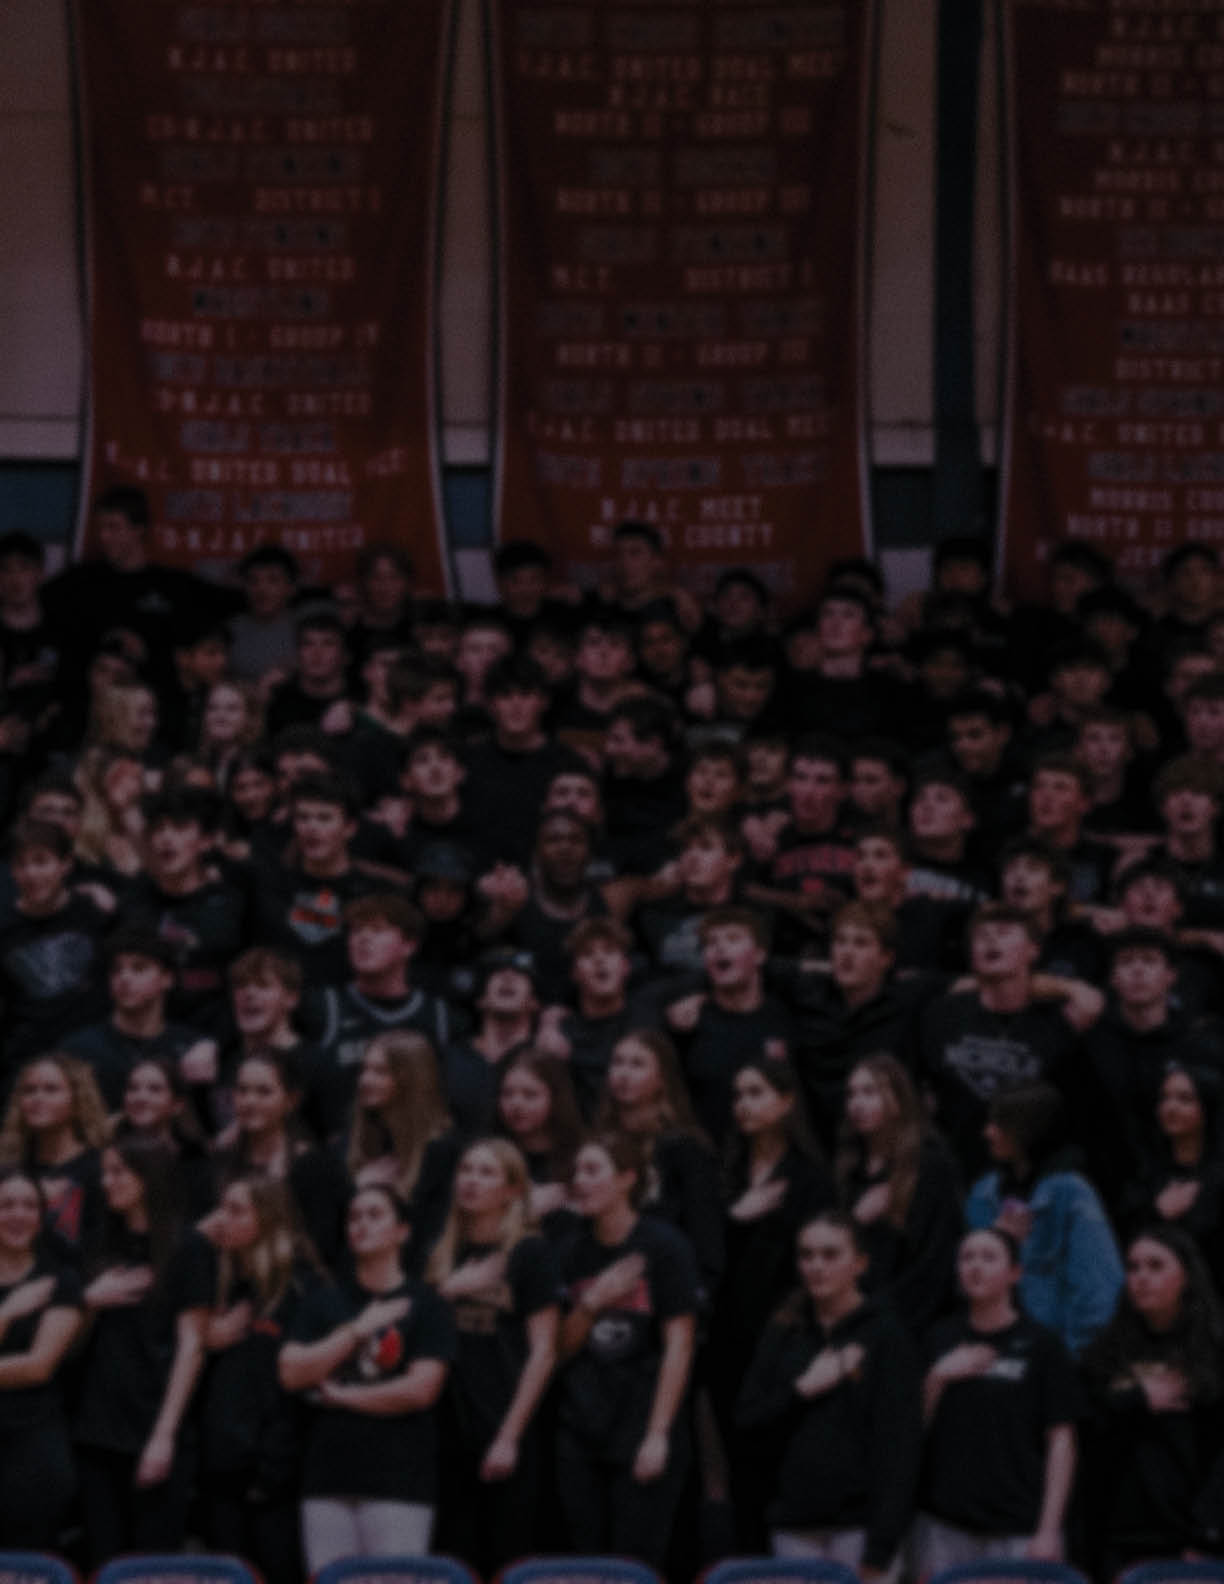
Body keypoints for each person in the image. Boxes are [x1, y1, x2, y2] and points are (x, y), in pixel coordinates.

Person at [278, 1182, 457, 1568]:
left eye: (375, 1215)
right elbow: (292, 1373)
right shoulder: (323, 1302)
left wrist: (342, 1397)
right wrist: (357, 1331)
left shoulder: (426, 1305)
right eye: (355, 1217)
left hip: (398, 1481)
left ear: (402, 1231)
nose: (362, 1224)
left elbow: (421, 1390)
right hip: (327, 1479)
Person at [735, 1210, 922, 1577]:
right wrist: (803, 1389)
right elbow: (747, 1420)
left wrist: (881, 1547)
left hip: (860, 1529)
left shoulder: (885, 1336)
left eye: (830, 1255)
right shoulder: (784, 1331)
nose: (816, 1266)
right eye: (806, 1255)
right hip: (792, 1524)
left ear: (860, 1264)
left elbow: (900, 1448)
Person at [556, 1131, 700, 1564]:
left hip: (639, 1423)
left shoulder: (665, 1247)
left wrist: (658, 1435)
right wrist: (594, 1301)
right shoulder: (568, 1251)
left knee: (635, 1566)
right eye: (577, 1171)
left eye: (593, 1170)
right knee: (586, 1565)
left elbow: (680, 1344)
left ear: (626, 1179)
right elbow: (559, 1349)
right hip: (580, 1429)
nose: (580, 1180)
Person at [708, 1057, 834, 1548]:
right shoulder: (725, 1170)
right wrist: (736, 1218)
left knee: (775, 1463)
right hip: (725, 1338)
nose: (743, 1105)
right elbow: (706, 1251)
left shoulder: (809, 1179)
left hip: (784, 1341)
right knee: (735, 1467)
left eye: (756, 1093)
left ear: (786, 1102)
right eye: (738, 1095)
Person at [74, 1138, 213, 1564]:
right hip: (95, 1429)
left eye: (117, 1172)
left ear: (147, 1179)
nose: (106, 1182)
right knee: (101, 1559)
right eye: (105, 1172)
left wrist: (164, 1435)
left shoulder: (188, 1247)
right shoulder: (98, 1241)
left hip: (154, 1421)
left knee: (152, 1564)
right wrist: (89, 1299)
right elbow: (68, 1337)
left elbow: (192, 1344)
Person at [427, 1138, 561, 1573]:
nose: (471, 1180)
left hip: (504, 1419)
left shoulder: (529, 1253)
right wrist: (450, 1291)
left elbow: (543, 1351)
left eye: (486, 1173)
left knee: (507, 1556)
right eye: (466, 1169)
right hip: (446, 1426)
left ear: (511, 1190)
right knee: (452, 1557)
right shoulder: (443, 1253)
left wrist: (509, 1436)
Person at [914, 1227, 1080, 1575]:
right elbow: (913, 1431)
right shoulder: (938, 1337)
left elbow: (1061, 1441)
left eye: (988, 1258)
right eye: (967, 1257)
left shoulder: (1042, 1345)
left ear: (1015, 1274)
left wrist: (1049, 1530)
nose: (975, 1266)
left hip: (1017, 1525)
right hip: (944, 1523)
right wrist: (937, 1376)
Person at [198, 1176, 321, 1584]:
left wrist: (272, 1470)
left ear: (267, 1219)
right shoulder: (224, 1283)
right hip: (221, 1474)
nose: (222, 1220)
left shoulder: (300, 1286)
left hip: (274, 1479)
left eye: (236, 1210)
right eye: (221, 1208)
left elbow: (295, 1390)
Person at [1081, 1226, 1224, 1577]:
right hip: (1113, 1535)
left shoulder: (1215, 1353)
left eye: (1156, 1266)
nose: (1141, 1277)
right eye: (1133, 1267)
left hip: (1189, 1538)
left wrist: (1207, 1532)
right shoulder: (1105, 1352)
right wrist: (1138, 1399)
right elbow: (1084, 1430)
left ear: (1186, 1276)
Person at [966, 1083, 1123, 1355]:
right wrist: (997, 1240)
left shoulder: (1070, 1193)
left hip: (1054, 1352)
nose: (987, 1132)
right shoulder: (984, 1192)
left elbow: (1097, 1289)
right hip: (988, 1349)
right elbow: (964, 1279)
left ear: (1029, 1131)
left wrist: (1074, 1359)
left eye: (1000, 1123)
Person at [836, 1054, 963, 1336]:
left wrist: (878, 1322)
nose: (857, 1103)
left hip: (909, 1324)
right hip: (851, 1316)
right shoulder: (848, 1168)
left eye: (870, 1092)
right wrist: (855, 1220)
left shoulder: (930, 1166)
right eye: (852, 1094)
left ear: (898, 1099)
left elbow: (935, 1262)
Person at [596, 1029, 725, 1304]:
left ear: (661, 1079)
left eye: (637, 1064)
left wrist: (696, 1299)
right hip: (601, 1288)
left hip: (665, 1292)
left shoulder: (685, 1148)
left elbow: (706, 1239)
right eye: (617, 1062)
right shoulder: (596, 1145)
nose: (623, 1073)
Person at [0, 1166, 85, 1546]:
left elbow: (38, 1367)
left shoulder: (60, 1280)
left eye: (28, 1206)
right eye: (6, 1205)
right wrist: (7, 1313)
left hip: (32, 1450)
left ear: (41, 1216)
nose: (18, 1215)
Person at [216, 1050, 350, 1269]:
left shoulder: (313, 1166)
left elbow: (323, 1247)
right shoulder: (221, 1160)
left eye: (264, 1092)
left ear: (291, 1100)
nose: (249, 1101)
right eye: (242, 1090)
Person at [343, 1031, 459, 1265]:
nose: (365, 1080)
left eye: (380, 1072)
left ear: (411, 1079)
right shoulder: (352, 1146)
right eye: (365, 1070)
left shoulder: (441, 1153)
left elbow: (430, 1238)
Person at [0, 1052, 109, 1262]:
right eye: (29, 1090)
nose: (37, 1098)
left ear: (77, 1100)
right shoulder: (10, 1170)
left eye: (51, 1089)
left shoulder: (101, 1168)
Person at [495, 1050, 584, 1237]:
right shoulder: (490, 1155)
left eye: (530, 1095)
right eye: (507, 1094)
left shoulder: (582, 1158)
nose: (516, 1104)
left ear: (555, 1099)